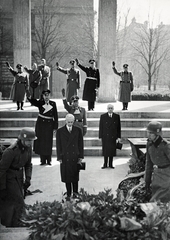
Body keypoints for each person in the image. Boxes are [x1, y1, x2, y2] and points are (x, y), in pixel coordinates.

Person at [0, 127, 36, 227]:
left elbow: (28, 165)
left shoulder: (28, 149)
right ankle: (17, 221)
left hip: (19, 176)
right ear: (22, 139)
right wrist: (2, 187)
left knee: (19, 198)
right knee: (18, 198)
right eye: (28, 140)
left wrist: (28, 178)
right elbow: (2, 170)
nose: (30, 143)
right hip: (9, 177)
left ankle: (16, 219)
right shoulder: (10, 151)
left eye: (31, 140)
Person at [56, 114, 84, 201]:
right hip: (65, 157)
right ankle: (68, 193)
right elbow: (58, 145)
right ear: (65, 121)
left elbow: (80, 144)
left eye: (72, 122)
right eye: (68, 122)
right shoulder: (60, 131)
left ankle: (75, 192)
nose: (70, 124)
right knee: (67, 176)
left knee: (75, 175)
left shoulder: (78, 130)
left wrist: (80, 156)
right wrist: (59, 157)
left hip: (75, 156)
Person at [27, 89, 58, 165]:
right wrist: (29, 97)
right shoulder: (40, 103)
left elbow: (55, 116)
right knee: (41, 142)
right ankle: (42, 160)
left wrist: (55, 127)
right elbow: (34, 102)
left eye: (48, 95)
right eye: (45, 95)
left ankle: (49, 160)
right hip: (41, 125)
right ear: (43, 96)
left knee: (48, 142)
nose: (46, 97)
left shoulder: (53, 104)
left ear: (50, 96)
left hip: (49, 125)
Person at [145, 121, 170, 203]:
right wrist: (147, 181)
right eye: (147, 132)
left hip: (167, 177)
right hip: (157, 177)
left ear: (157, 134)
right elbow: (148, 163)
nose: (148, 135)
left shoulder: (166, 146)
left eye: (151, 133)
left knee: (155, 202)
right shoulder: (149, 144)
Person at [99, 104, 121, 169]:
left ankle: (111, 164)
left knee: (112, 150)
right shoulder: (103, 116)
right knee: (105, 150)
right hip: (105, 136)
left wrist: (118, 136)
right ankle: (105, 164)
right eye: (109, 108)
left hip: (113, 136)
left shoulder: (116, 116)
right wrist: (100, 136)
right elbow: (101, 127)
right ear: (107, 109)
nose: (110, 109)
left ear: (113, 109)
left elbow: (118, 127)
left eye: (111, 108)